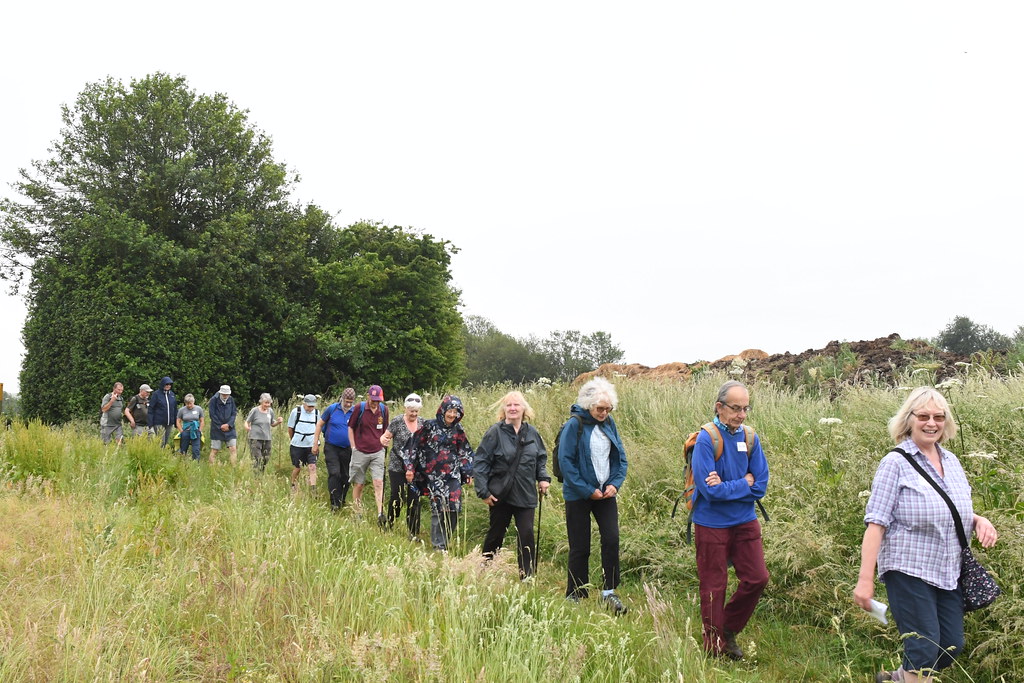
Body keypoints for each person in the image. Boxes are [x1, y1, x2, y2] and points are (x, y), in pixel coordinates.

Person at [854, 386, 999, 683]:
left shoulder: (952, 462)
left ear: (946, 422)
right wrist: (865, 580)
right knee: (924, 647)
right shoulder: (895, 463)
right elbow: (876, 523)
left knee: (950, 645)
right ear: (909, 420)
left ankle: (897, 679)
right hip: (908, 567)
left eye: (938, 416)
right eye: (923, 416)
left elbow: (948, 509)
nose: (931, 423)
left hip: (947, 569)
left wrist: (978, 520)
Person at [690, 380, 770, 659]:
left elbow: (760, 485)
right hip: (711, 523)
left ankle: (727, 630)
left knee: (757, 578)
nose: (742, 414)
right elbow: (709, 491)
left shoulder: (750, 438)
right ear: (719, 407)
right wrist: (742, 483)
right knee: (714, 585)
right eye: (736, 408)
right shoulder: (706, 439)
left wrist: (730, 486)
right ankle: (713, 648)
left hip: (745, 520)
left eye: (745, 408)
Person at [557, 377, 628, 615]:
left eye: (608, 409)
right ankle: (575, 593)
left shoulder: (610, 423)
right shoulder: (574, 424)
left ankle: (609, 592)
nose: (604, 412)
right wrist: (588, 490)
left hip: (606, 493)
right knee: (580, 546)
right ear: (589, 405)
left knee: (611, 539)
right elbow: (565, 463)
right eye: (600, 408)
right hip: (578, 494)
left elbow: (621, 458)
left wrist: (615, 484)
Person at [474, 390, 550, 579]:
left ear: (524, 409)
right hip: (501, 494)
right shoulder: (495, 432)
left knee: (526, 534)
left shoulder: (532, 432)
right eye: (509, 405)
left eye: (516, 405)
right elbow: (481, 461)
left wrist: (543, 478)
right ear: (504, 409)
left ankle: (527, 576)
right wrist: (483, 491)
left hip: (525, 493)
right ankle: (485, 568)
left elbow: (540, 458)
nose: (513, 408)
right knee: (496, 534)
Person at [406, 395, 474, 551]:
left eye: (455, 412)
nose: (452, 415)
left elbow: (464, 451)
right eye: (449, 411)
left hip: (453, 475)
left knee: (454, 508)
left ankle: (445, 540)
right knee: (438, 508)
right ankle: (438, 545)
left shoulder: (458, 429)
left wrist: (468, 472)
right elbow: (412, 445)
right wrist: (410, 467)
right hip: (434, 475)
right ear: (443, 410)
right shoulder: (429, 426)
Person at [381, 393, 425, 534]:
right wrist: (384, 440)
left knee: (414, 500)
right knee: (397, 497)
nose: (414, 413)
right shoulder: (397, 421)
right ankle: (390, 524)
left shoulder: (423, 423)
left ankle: (413, 533)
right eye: (411, 411)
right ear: (405, 408)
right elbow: (385, 436)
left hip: (416, 469)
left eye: (416, 411)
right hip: (397, 466)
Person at [348, 385, 390, 526]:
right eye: (373, 400)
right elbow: (350, 428)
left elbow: (386, 431)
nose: (375, 402)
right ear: (368, 397)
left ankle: (380, 514)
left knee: (378, 482)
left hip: (377, 451)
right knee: (359, 484)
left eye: (377, 400)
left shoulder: (384, 410)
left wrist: (384, 445)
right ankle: (357, 512)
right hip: (360, 451)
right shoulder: (359, 408)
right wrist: (353, 447)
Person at [313, 387, 357, 510]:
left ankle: (342, 498)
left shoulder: (355, 412)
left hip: (348, 448)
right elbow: (320, 424)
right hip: (331, 446)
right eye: (346, 401)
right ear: (341, 398)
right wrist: (315, 443)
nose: (348, 404)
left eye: (350, 402)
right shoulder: (332, 409)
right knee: (334, 473)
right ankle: (334, 502)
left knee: (346, 476)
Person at [287, 394, 320, 492]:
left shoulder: (317, 413)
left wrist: (316, 443)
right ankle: (293, 485)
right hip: (297, 445)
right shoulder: (296, 412)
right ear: (304, 404)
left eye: (313, 406)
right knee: (298, 467)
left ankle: (313, 489)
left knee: (312, 466)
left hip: (312, 445)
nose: (311, 408)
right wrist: (294, 439)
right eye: (309, 406)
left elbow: (318, 428)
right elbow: (290, 428)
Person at [244, 393, 283, 473]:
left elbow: (272, 423)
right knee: (257, 458)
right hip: (255, 438)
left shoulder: (270, 411)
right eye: (266, 403)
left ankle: (261, 473)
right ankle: (256, 475)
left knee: (266, 458)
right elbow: (247, 422)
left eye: (269, 403)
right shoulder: (255, 410)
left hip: (267, 438)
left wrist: (278, 422)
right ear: (261, 402)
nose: (267, 405)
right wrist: (247, 427)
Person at [208, 384, 239, 465]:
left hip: (230, 428)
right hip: (217, 429)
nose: (225, 396)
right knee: (215, 450)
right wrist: (220, 426)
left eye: (227, 394)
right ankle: (212, 467)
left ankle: (234, 467)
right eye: (224, 394)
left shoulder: (231, 399)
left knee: (233, 448)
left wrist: (229, 424)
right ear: (220, 393)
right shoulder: (213, 400)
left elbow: (234, 413)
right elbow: (212, 414)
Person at [148, 377, 177, 449]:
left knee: (166, 441)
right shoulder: (156, 394)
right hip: (159, 422)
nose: (168, 386)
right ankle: (159, 455)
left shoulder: (172, 394)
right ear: (162, 384)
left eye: (170, 384)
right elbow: (151, 408)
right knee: (161, 441)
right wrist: (150, 423)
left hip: (169, 422)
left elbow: (175, 409)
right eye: (166, 384)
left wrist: (176, 422)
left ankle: (163, 455)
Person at [176, 393, 205, 461]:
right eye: (187, 403)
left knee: (196, 449)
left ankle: (196, 463)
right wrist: (181, 431)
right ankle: (182, 462)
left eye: (190, 403)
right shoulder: (181, 410)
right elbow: (178, 421)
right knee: (183, 449)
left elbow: (202, 421)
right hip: (185, 431)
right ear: (185, 403)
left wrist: (200, 430)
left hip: (195, 431)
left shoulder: (199, 409)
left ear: (193, 401)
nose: (189, 405)